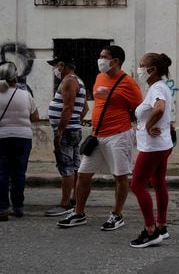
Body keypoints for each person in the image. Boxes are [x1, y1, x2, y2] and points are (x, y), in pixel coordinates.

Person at [57, 45, 143, 230]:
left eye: (104, 56)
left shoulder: (128, 82)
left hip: (118, 135)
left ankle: (117, 214)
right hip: (97, 135)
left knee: (120, 176)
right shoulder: (99, 77)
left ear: (115, 61)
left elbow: (140, 109)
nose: (100, 59)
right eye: (100, 56)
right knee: (83, 174)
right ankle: (79, 213)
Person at [130, 53, 173, 248]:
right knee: (158, 182)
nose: (139, 69)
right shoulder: (161, 86)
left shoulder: (156, 88)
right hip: (162, 145)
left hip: (153, 147)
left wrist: (148, 126)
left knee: (137, 184)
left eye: (141, 65)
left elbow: (160, 108)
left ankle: (150, 231)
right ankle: (161, 226)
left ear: (152, 69)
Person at [45, 56, 89, 216]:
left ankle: (65, 204)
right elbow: (84, 109)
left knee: (66, 167)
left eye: (55, 66)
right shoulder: (79, 81)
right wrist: (76, 122)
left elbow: (68, 108)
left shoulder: (69, 81)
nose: (54, 69)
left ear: (62, 66)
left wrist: (60, 131)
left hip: (67, 130)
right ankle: (75, 199)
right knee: (75, 165)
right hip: (73, 129)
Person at [0, 61, 39, 221]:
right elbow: (35, 117)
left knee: (2, 173)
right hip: (23, 138)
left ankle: (2, 208)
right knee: (19, 173)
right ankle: (18, 207)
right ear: (15, 77)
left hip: (1, 138)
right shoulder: (25, 94)